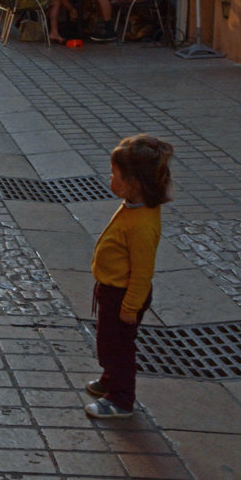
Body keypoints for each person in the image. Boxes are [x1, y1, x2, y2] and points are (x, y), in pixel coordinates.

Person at [86, 134, 174, 419]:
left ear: (135, 183)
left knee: (119, 348)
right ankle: (111, 379)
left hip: (123, 295)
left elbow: (142, 272)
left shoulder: (142, 224)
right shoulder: (135, 206)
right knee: (107, 342)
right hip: (112, 289)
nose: (110, 178)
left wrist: (129, 307)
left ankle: (121, 399)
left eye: (115, 175)